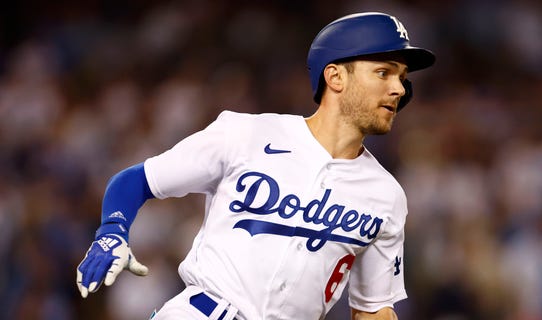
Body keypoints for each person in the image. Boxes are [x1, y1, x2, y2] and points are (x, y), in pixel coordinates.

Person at [76, 11, 435, 320]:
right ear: (335, 76)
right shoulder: (246, 133)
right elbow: (137, 180)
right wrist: (113, 229)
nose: (399, 89)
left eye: (402, 77)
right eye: (384, 72)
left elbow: (373, 308)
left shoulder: (386, 196)